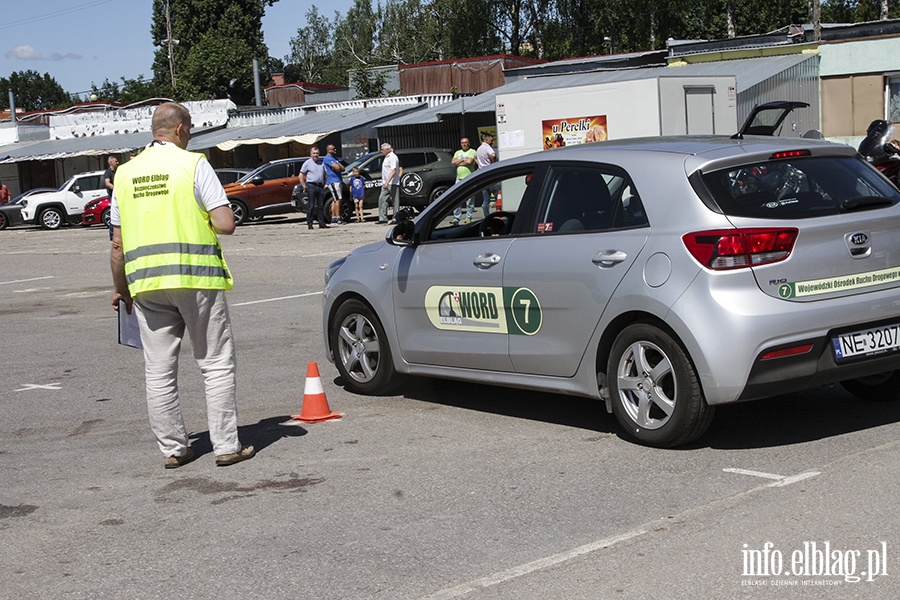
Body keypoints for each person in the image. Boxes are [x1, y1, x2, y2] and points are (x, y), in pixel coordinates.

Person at [109, 101, 254, 469]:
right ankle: (225, 446)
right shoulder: (192, 164)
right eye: (189, 128)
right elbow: (225, 223)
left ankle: (174, 449)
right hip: (195, 278)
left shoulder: (124, 174)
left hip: (145, 284)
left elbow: (116, 245)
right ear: (180, 129)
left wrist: (120, 289)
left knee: (158, 369)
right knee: (215, 362)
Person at [300, 147, 329, 230]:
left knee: (320, 205)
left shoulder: (321, 163)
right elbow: (301, 175)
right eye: (314, 153)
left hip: (320, 186)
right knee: (311, 205)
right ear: (311, 154)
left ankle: (321, 223)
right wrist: (304, 185)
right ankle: (310, 223)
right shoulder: (307, 163)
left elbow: (325, 174)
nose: (315, 155)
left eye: (317, 153)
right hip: (311, 185)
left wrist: (324, 183)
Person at [451, 137, 477, 224]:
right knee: (457, 198)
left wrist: (459, 161)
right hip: (459, 178)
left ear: (469, 143)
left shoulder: (472, 151)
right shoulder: (457, 152)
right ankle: (456, 218)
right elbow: (453, 162)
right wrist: (463, 160)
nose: (464, 144)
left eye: (466, 142)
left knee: (469, 199)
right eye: (462, 143)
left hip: (469, 177)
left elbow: (469, 162)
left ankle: (468, 217)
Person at [378, 143, 402, 224]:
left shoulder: (392, 157)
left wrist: (387, 182)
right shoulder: (386, 157)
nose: (381, 151)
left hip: (392, 182)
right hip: (385, 183)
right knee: (382, 199)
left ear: (387, 149)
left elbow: (394, 170)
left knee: (395, 201)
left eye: (382, 149)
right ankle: (383, 218)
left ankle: (396, 218)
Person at [476, 133, 498, 216]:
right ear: (486, 140)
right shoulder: (487, 147)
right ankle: (499, 215)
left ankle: (486, 216)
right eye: (491, 140)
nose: (492, 142)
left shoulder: (479, 149)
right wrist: (494, 162)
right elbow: (493, 154)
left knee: (486, 200)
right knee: (498, 197)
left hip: (483, 175)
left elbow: (475, 158)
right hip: (490, 173)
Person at [323, 144, 345, 225]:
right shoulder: (327, 158)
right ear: (329, 150)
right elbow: (338, 168)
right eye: (333, 149)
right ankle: (337, 218)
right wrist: (338, 167)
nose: (335, 150)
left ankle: (334, 218)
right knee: (338, 199)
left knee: (335, 199)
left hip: (338, 180)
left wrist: (339, 167)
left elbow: (342, 168)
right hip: (333, 181)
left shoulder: (334, 158)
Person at [103, 156, 119, 240]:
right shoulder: (108, 172)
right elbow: (107, 183)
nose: (117, 163)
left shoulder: (117, 171)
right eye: (116, 161)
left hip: (119, 196)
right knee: (114, 216)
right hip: (112, 197)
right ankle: (112, 234)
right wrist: (116, 189)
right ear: (111, 162)